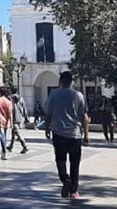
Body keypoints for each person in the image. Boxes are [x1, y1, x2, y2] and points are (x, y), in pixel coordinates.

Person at [45, 71, 89, 199]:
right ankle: (74, 191)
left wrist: (47, 128)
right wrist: (86, 135)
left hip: (58, 133)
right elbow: (84, 117)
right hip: (75, 134)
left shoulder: (54, 95)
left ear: (60, 81)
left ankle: (65, 180)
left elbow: (48, 114)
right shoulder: (78, 95)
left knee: (60, 160)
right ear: (71, 82)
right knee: (74, 163)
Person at [0, 86, 13, 160]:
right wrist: (11, 123)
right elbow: (10, 113)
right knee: (4, 136)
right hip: (6, 121)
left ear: (0, 92)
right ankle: (3, 153)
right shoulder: (8, 102)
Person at [8, 88, 29, 154]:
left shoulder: (10, 98)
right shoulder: (21, 98)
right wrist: (26, 118)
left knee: (17, 133)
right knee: (13, 133)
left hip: (13, 118)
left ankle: (24, 146)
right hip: (20, 117)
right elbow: (24, 108)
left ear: (11, 91)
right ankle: (10, 146)